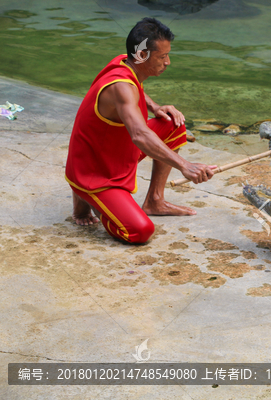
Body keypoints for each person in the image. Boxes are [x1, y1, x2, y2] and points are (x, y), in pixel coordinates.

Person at [65, 17, 215, 244]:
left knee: (173, 123)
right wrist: (186, 166)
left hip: (113, 152)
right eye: (162, 57)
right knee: (140, 231)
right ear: (142, 55)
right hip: (96, 171)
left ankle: (155, 200)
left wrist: (155, 106)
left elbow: (135, 91)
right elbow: (139, 134)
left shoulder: (124, 62)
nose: (168, 62)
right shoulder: (121, 87)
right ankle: (92, 200)